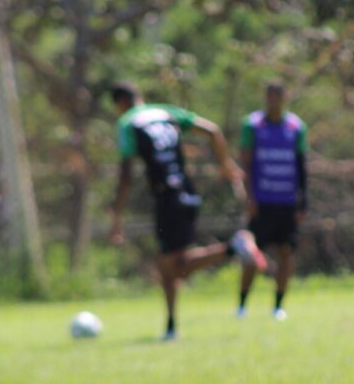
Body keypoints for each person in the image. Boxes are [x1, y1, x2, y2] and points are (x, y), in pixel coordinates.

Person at [108, 81, 267, 341]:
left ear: (120, 104)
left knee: (176, 267)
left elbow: (125, 174)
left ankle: (233, 247)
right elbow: (213, 131)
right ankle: (171, 327)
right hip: (188, 192)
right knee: (166, 265)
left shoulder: (127, 123)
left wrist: (116, 213)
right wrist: (225, 164)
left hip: (166, 198)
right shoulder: (166, 112)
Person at [237, 81, 308, 321]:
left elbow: (301, 166)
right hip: (262, 201)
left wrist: (303, 201)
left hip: (286, 201)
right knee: (252, 254)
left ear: (284, 97)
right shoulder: (253, 125)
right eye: (269, 96)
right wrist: (249, 197)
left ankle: (278, 305)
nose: (273, 100)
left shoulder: (295, 126)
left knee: (285, 252)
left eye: (277, 96)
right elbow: (246, 165)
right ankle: (242, 304)